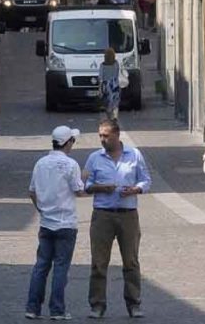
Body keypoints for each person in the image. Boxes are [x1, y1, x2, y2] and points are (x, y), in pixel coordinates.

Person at [84, 119, 151, 319]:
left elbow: (146, 179)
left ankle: (134, 304)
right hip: (102, 214)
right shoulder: (94, 158)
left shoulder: (134, 155)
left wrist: (136, 189)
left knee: (131, 261)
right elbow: (84, 184)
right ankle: (97, 305)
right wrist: (99, 188)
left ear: (117, 135)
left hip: (128, 214)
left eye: (106, 136)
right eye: (100, 136)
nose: (102, 140)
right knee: (99, 262)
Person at [25, 126, 87, 320]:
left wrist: (42, 210)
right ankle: (57, 310)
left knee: (41, 266)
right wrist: (87, 180)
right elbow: (78, 191)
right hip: (66, 222)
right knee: (61, 267)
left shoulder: (41, 163)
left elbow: (32, 192)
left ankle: (32, 308)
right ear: (67, 142)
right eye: (73, 141)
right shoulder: (70, 165)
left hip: (46, 222)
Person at [98, 48, 122, 120]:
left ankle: (109, 118)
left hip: (106, 86)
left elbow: (100, 77)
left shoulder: (102, 65)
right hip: (115, 85)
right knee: (115, 102)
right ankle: (115, 116)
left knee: (107, 102)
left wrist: (100, 89)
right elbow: (118, 73)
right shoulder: (116, 63)